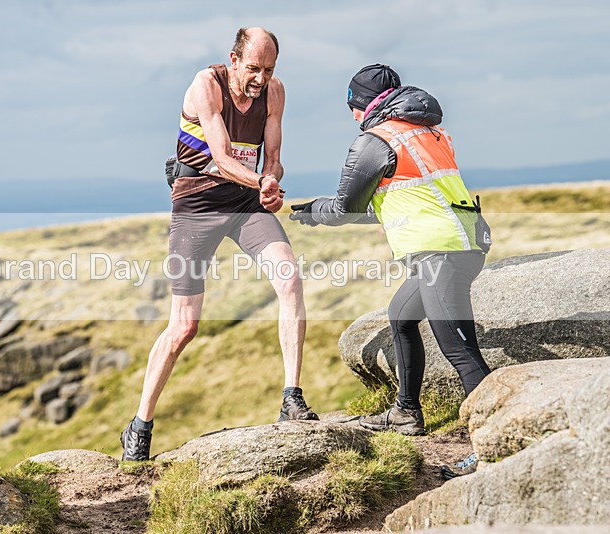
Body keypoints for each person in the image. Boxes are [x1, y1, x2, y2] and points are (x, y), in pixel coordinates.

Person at [120, 27, 319, 461]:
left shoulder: (275, 92)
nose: (261, 78)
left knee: (290, 280)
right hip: (197, 204)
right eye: (253, 68)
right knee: (184, 326)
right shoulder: (206, 85)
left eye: (269, 69)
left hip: (246, 202)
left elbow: (274, 159)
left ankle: (292, 397)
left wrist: (271, 182)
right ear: (233, 59)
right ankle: (140, 425)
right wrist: (262, 181)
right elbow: (223, 158)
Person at [289, 65, 492, 479]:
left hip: (440, 254)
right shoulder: (427, 132)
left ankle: (492, 445)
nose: (352, 115)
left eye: (353, 105)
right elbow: (396, 202)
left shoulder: (375, 141)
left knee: (461, 352)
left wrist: (315, 211)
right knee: (401, 316)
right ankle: (405, 412)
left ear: (366, 104)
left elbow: (346, 208)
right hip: (461, 243)